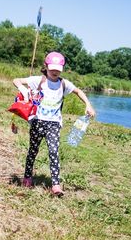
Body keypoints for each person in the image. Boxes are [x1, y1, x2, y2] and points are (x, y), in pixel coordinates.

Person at [12, 51, 96, 197]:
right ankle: (27, 177)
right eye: (52, 68)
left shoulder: (64, 84)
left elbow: (78, 91)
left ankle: (55, 184)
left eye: (58, 68)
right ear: (46, 66)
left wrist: (88, 104)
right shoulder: (39, 80)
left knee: (53, 151)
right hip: (37, 122)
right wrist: (23, 90)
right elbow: (16, 80)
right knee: (33, 150)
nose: (55, 71)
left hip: (54, 124)